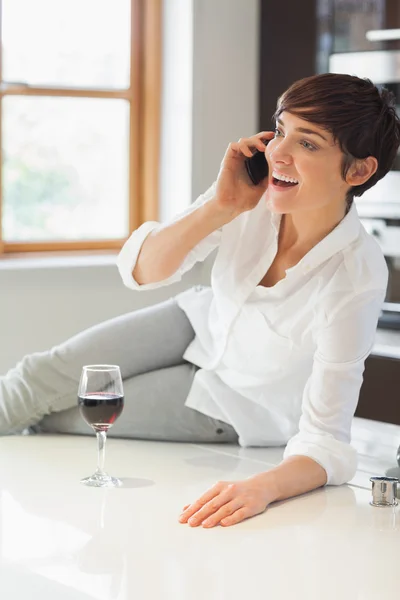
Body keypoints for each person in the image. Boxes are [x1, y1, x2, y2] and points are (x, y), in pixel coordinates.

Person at [1, 73, 399, 529]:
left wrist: (263, 487)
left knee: (71, 415)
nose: (278, 153)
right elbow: (141, 272)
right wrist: (221, 205)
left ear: (358, 171)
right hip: (198, 320)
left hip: (236, 402)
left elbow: (327, 440)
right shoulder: (252, 196)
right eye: (281, 130)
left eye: (307, 144)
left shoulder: (355, 276)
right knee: (37, 377)